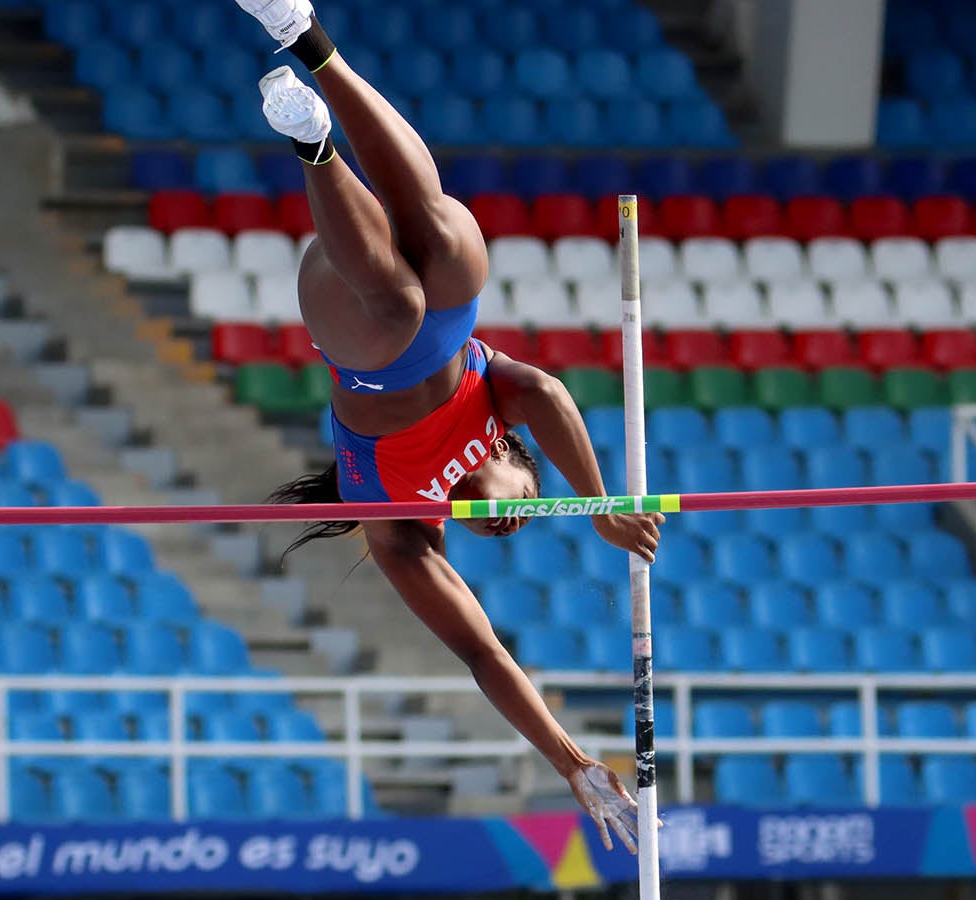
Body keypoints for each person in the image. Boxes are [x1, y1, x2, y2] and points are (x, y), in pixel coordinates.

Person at [234, 0, 662, 852]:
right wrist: (602, 507)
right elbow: (544, 389)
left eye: (501, 527)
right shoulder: (502, 402)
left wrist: (573, 763)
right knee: (440, 227)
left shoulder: (406, 535)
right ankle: (304, 37)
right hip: (449, 305)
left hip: (352, 316)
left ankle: (312, 146)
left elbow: (486, 657)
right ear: (514, 460)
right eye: (519, 509)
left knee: (393, 307)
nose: (503, 520)